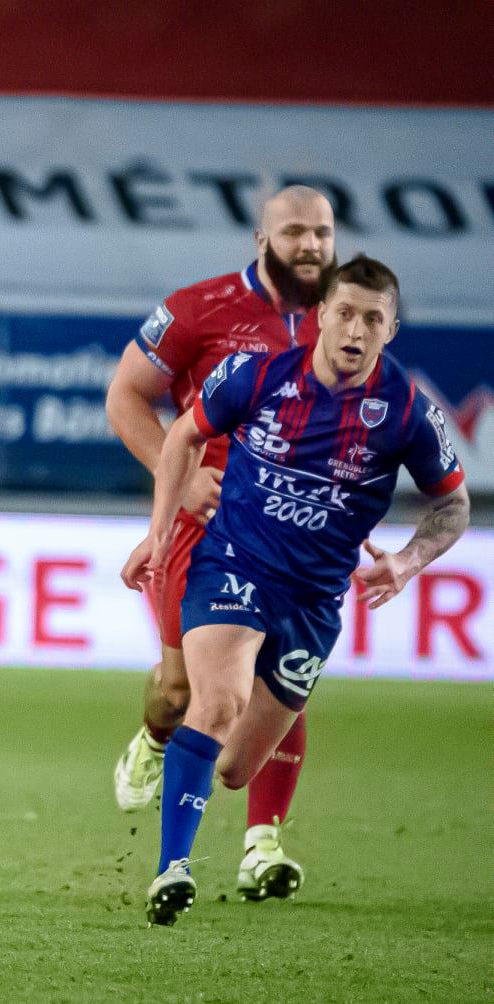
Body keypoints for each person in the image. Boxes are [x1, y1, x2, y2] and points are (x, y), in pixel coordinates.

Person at [120, 255, 469, 926]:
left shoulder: (405, 415)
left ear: (390, 330)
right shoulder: (256, 375)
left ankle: (198, 779)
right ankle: (171, 869)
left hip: (312, 602)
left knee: (233, 768)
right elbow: (184, 437)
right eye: (343, 312)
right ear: (317, 317)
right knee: (215, 700)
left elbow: (451, 509)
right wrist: (157, 534)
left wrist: (406, 560)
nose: (355, 329)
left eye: (372, 318)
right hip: (233, 566)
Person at [106, 186, 335, 901]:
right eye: (294, 232)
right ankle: (152, 738)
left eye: (322, 233)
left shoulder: (345, 318)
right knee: (182, 691)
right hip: (202, 528)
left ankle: (261, 844)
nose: (310, 246)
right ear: (260, 238)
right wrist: (176, 482)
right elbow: (124, 397)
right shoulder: (196, 309)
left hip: (293, 536)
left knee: (278, 681)